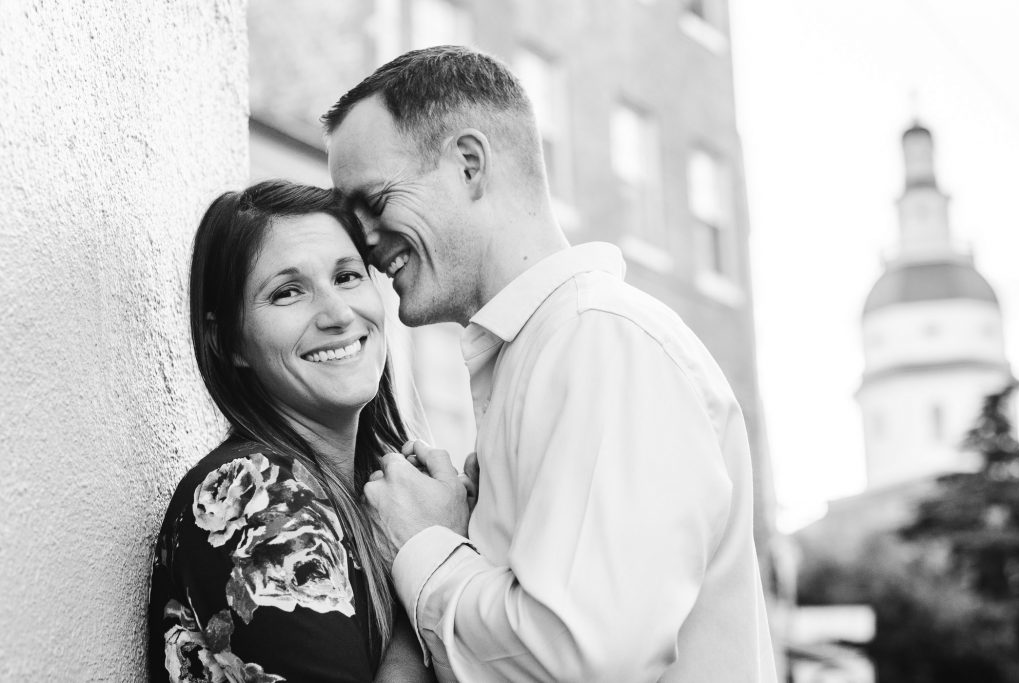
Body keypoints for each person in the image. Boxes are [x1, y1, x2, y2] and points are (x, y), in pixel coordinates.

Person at [322, 45, 777, 682]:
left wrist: (424, 546)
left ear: (469, 165)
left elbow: (581, 660)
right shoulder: (539, 356)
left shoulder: (599, 343)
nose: (365, 242)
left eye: (375, 201)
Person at [148, 181, 435, 683]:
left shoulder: (386, 494)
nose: (339, 314)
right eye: (287, 292)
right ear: (229, 341)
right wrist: (430, 564)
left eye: (347, 276)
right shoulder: (253, 494)